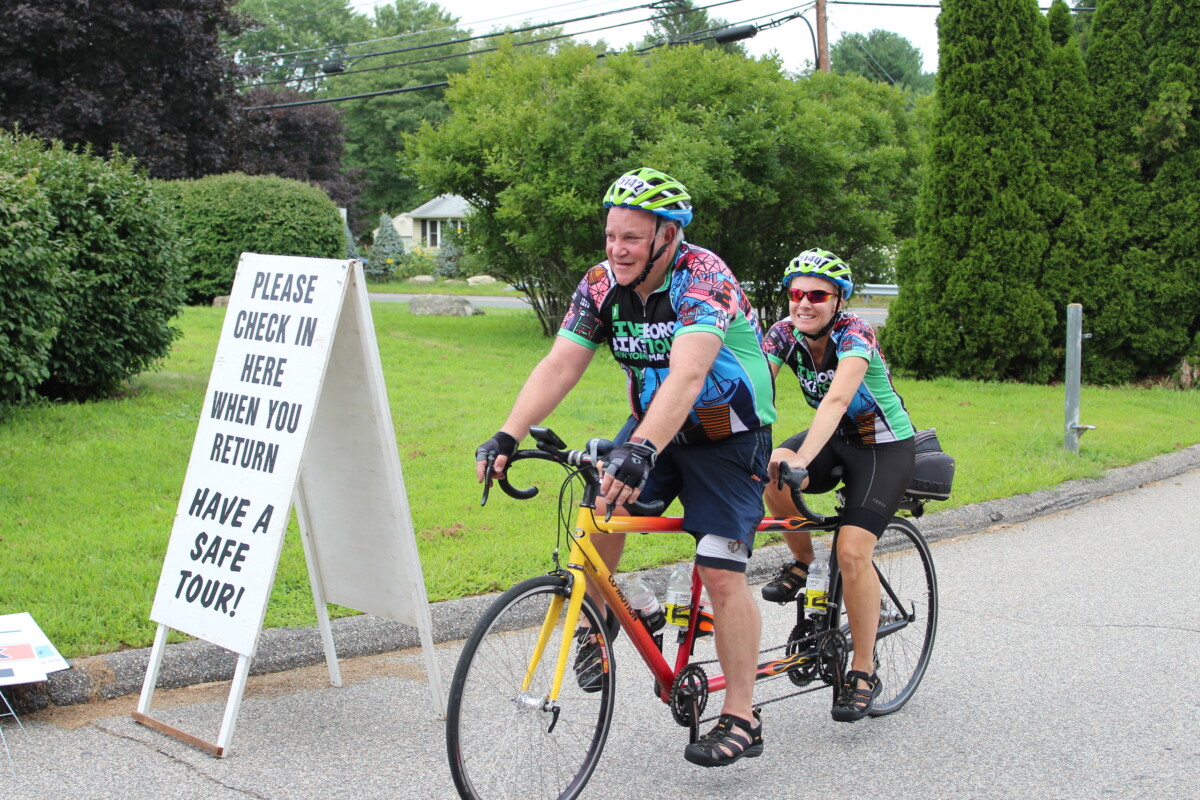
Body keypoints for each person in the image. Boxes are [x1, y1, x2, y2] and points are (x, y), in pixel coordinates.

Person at [475, 167, 776, 767]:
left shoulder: (704, 277)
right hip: (653, 430)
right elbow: (561, 363)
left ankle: (742, 713)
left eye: (632, 238)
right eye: (612, 235)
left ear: (668, 235)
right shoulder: (598, 285)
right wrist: (507, 432)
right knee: (599, 514)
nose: (617, 249)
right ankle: (614, 615)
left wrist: (640, 451)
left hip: (726, 435)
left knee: (720, 569)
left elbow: (690, 373)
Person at [759, 248, 915, 722]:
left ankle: (864, 670)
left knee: (851, 552)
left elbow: (838, 398)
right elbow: (754, 389)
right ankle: (803, 562)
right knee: (771, 465)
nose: (804, 303)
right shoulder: (783, 334)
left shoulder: (856, 333)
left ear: (839, 300)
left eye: (817, 295)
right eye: (796, 293)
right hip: (837, 439)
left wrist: (804, 460)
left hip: (881, 446)